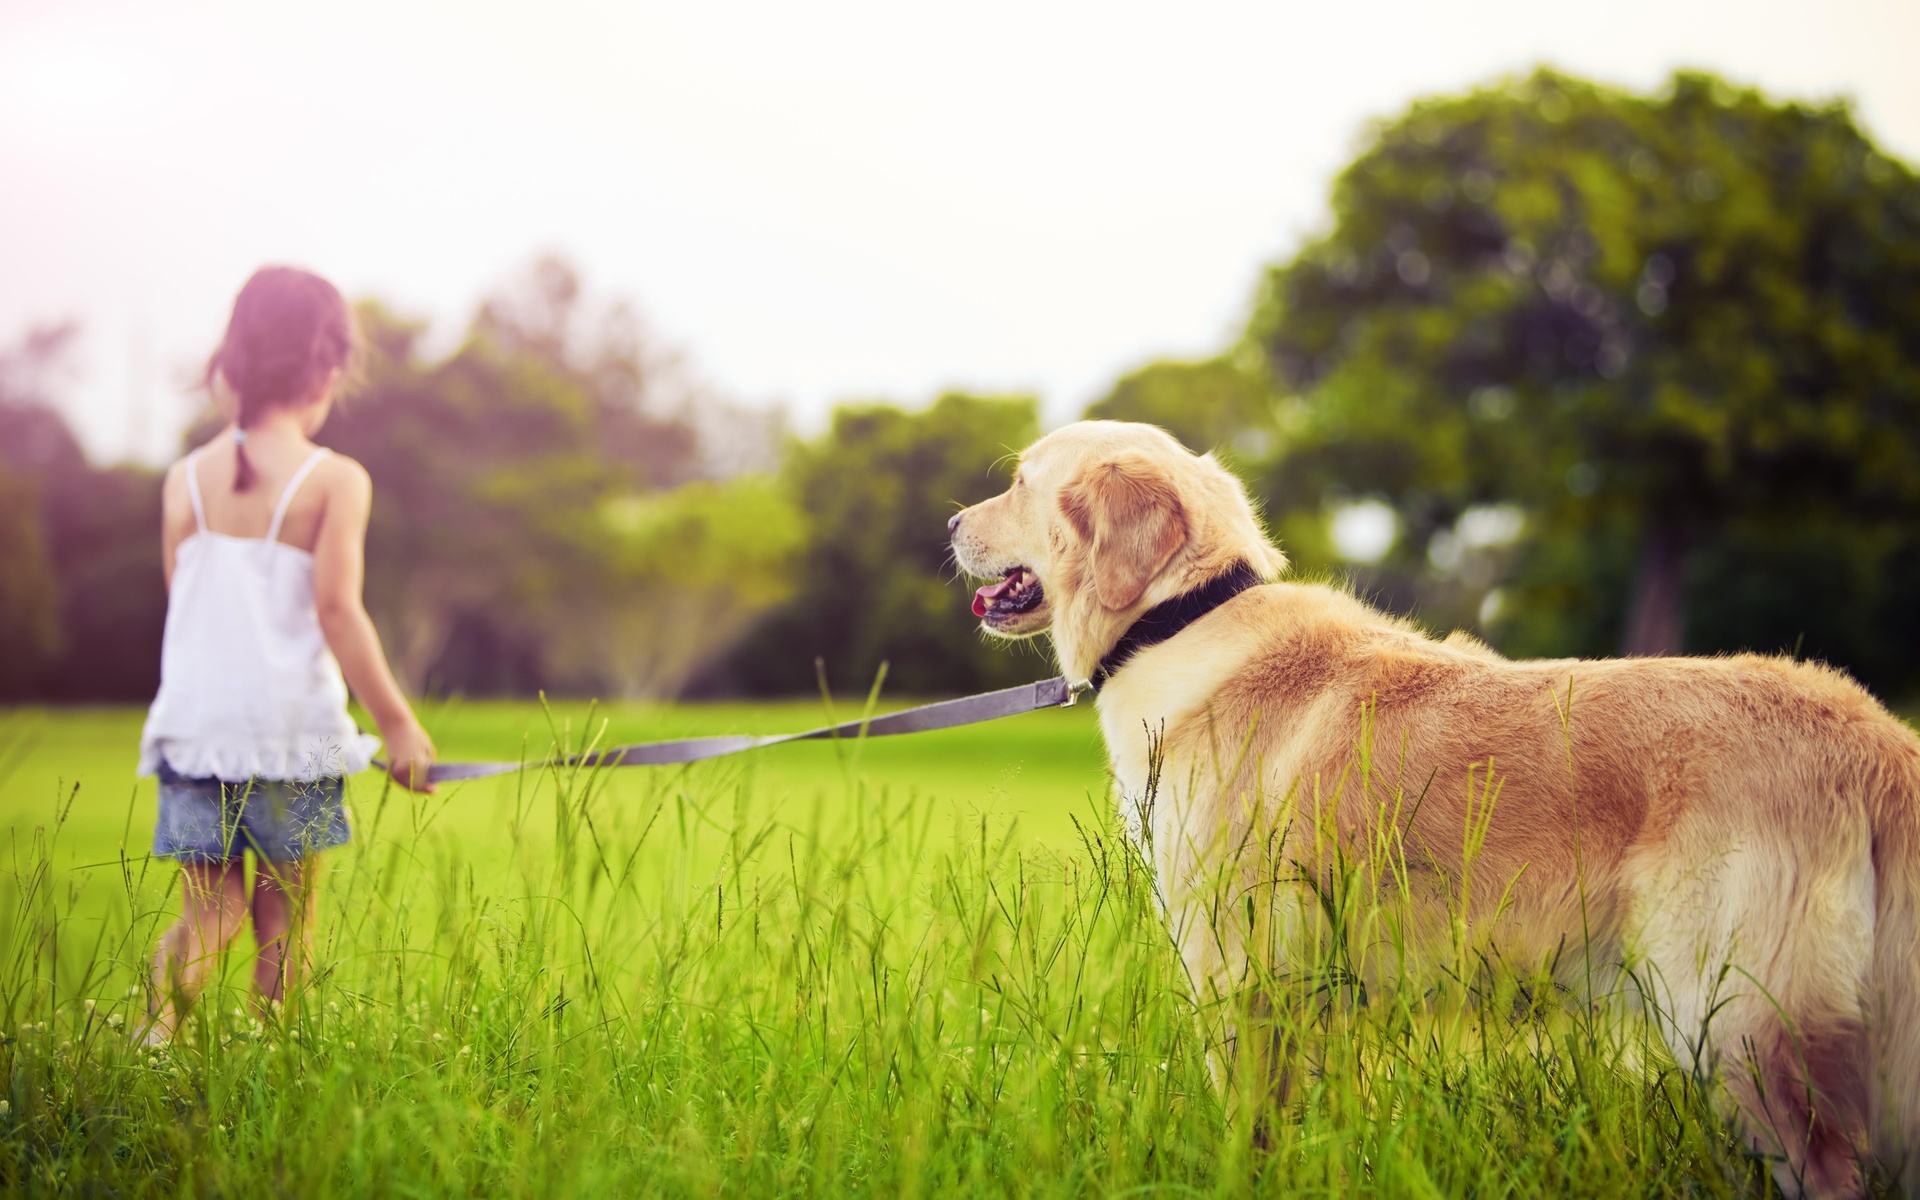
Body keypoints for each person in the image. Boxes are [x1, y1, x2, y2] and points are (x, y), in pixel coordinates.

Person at [140, 266, 436, 1040]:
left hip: (196, 733)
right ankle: (276, 1064)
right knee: (286, 920)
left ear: (230, 365)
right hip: (290, 740)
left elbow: (186, 607)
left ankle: (152, 1041)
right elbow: (338, 611)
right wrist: (397, 726)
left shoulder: (183, 482)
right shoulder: (334, 479)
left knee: (209, 912)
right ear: (328, 371)